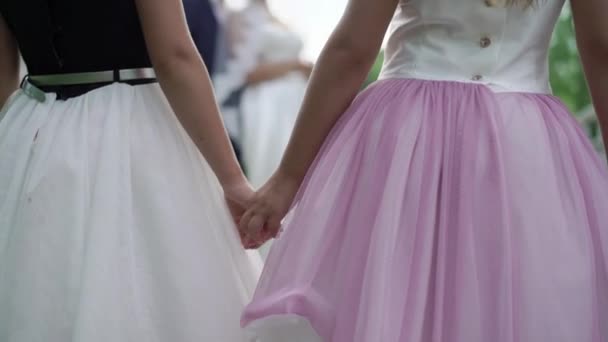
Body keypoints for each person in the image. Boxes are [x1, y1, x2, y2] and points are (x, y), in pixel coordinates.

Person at [239, 0, 608, 341]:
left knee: (391, 289)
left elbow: (351, 50)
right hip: (523, 142)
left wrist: (287, 179)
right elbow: (601, 47)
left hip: (407, 138)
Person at [0, 0, 261, 341]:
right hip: (131, 123)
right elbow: (175, 58)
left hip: (31, 128)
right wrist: (233, 180)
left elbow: (3, 79)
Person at [214, 0, 313, 189]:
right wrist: (296, 65)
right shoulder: (237, 18)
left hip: (299, 97)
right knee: (272, 157)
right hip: (267, 102)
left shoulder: (280, 19)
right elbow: (247, 73)